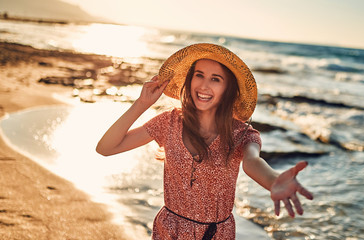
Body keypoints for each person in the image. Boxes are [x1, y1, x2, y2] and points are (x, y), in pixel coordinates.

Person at [96, 43, 313, 239]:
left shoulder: (242, 134)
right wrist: (142, 103)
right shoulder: (169, 122)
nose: (204, 85)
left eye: (215, 79)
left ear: (228, 89)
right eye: (199, 75)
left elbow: (252, 162)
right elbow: (106, 148)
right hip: (169, 230)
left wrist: (274, 180)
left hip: (215, 234)